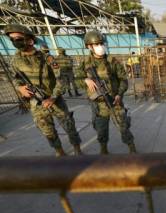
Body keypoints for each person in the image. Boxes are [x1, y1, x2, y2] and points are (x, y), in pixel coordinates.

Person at [5, 24, 82, 157]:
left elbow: (61, 79)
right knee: (47, 130)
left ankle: (77, 148)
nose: (15, 42)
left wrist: (53, 97)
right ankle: (59, 151)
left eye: (18, 38)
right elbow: (15, 78)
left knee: (69, 125)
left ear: (30, 40)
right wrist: (20, 87)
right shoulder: (14, 61)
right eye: (12, 39)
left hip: (55, 99)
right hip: (36, 103)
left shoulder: (47, 58)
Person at [76, 30, 136, 154]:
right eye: (97, 44)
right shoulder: (85, 63)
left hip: (114, 100)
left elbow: (123, 80)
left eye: (101, 43)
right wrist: (85, 80)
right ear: (89, 46)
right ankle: (103, 150)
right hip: (98, 104)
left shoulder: (112, 61)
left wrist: (119, 94)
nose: (100, 47)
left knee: (123, 126)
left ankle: (132, 149)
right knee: (101, 129)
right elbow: (76, 80)